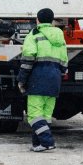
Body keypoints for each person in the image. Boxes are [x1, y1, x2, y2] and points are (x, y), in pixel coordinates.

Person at [18, 8, 68, 152]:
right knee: (45, 116)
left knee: (34, 115)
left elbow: (27, 60)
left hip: (38, 78)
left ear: (37, 20)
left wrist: (21, 80)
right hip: (55, 78)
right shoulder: (60, 36)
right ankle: (37, 144)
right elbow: (64, 61)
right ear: (52, 20)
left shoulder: (34, 35)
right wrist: (60, 74)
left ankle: (47, 142)